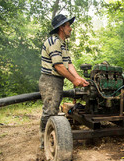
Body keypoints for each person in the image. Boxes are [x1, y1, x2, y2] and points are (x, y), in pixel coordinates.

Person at [39, 14, 89, 149]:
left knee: (53, 110)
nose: (71, 29)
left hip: (56, 80)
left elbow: (69, 64)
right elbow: (59, 66)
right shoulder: (53, 42)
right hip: (50, 80)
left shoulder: (63, 44)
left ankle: (51, 137)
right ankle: (44, 143)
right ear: (61, 27)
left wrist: (79, 79)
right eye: (68, 26)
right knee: (49, 111)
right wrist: (73, 79)